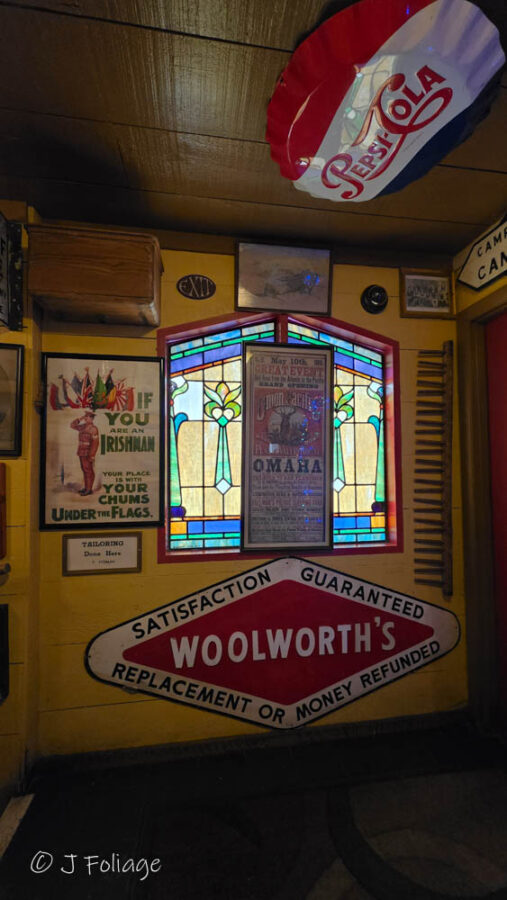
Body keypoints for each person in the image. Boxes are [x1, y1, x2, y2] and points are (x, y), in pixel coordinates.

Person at [70, 411, 99, 495]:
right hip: (81, 451)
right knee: (84, 470)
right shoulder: (82, 426)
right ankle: (86, 488)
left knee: (88, 471)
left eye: (88, 417)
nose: (86, 418)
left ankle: (89, 489)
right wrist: (80, 419)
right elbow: (72, 425)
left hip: (88, 452)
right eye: (85, 416)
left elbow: (95, 443)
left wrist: (92, 455)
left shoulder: (93, 429)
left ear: (92, 418)